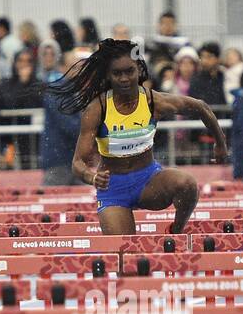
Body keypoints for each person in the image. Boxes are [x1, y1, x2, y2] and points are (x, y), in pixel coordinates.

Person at [53, 38, 228, 234]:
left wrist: (220, 144)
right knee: (124, 254)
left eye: (129, 71)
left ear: (139, 70)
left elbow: (201, 107)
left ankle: (176, 231)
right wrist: (91, 177)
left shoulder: (154, 101)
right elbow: (77, 163)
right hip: (113, 189)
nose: (124, 78)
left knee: (187, 184)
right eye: (117, 73)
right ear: (108, 76)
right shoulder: (97, 109)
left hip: (148, 181)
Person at [40, 48, 81, 186]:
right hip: (59, 161)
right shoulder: (57, 92)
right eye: (74, 67)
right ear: (63, 67)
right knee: (53, 202)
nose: (80, 71)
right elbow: (70, 125)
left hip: (73, 160)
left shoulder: (73, 90)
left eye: (81, 66)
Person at [189, 41, 227, 106]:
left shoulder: (224, 76)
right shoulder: (196, 79)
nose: (204, 61)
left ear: (217, 59)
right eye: (202, 57)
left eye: (209, 57)